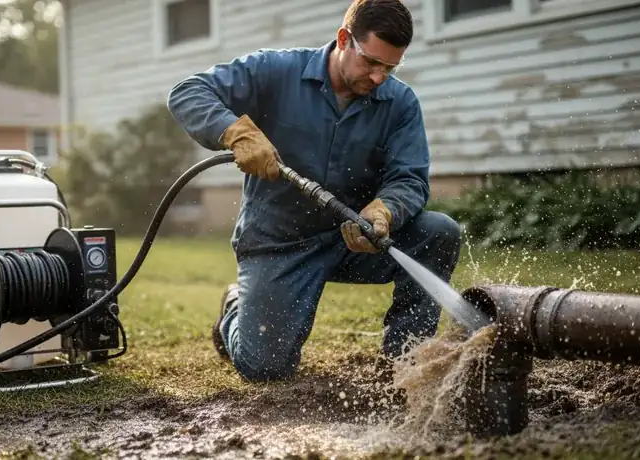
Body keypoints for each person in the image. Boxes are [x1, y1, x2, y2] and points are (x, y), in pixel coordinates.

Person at [166, 0, 461, 383]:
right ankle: (236, 307)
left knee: (438, 231)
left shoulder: (400, 104)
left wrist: (386, 210)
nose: (378, 78)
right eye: (371, 62)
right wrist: (233, 132)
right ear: (343, 38)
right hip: (280, 244)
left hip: (353, 238)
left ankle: (405, 361)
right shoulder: (276, 71)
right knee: (266, 368)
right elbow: (188, 92)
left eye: (390, 67)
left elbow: (410, 178)